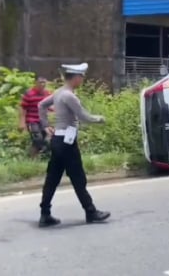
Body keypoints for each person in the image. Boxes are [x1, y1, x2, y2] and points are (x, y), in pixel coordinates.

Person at [37, 63, 110, 227]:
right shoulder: (69, 96)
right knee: (78, 178)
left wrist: (45, 125)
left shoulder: (58, 92)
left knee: (52, 179)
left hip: (57, 141)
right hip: (66, 144)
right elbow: (84, 116)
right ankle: (91, 212)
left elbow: (41, 105)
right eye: (82, 76)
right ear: (76, 78)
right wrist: (100, 119)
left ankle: (45, 213)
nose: (83, 79)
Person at [19, 76, 51, 156]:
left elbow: (50, 107)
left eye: (44, 82)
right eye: (41, 82)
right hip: (32, 120)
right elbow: (23, 109)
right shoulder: (29, 94)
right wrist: (22, 122)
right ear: (36, 83)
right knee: (37, 138)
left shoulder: (47, 94)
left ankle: (33, 159)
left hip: (43, 121)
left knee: (45, 139)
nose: (43, 84)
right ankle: (40, 152)